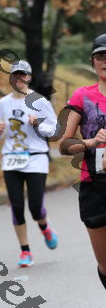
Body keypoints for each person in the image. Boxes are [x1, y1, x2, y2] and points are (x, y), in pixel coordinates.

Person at [0, 60, 58, 267]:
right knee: (17, 206)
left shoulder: (39, 101)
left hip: (36, 158)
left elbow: (54, 129)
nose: (19, 79)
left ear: (29, 77)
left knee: (35, 208)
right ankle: (25, 251)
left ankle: (44, 226)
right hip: (11, 159)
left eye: (23, 75)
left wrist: (37, 123)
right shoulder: (3, 103)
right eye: (15, 75)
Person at [59, 34, 106, 291]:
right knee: (105, 265)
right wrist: (91, 142)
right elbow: (64, 145)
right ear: (92, 62)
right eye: (101, 56)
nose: (105, 61)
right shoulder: (82, 96)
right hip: (95, 187)